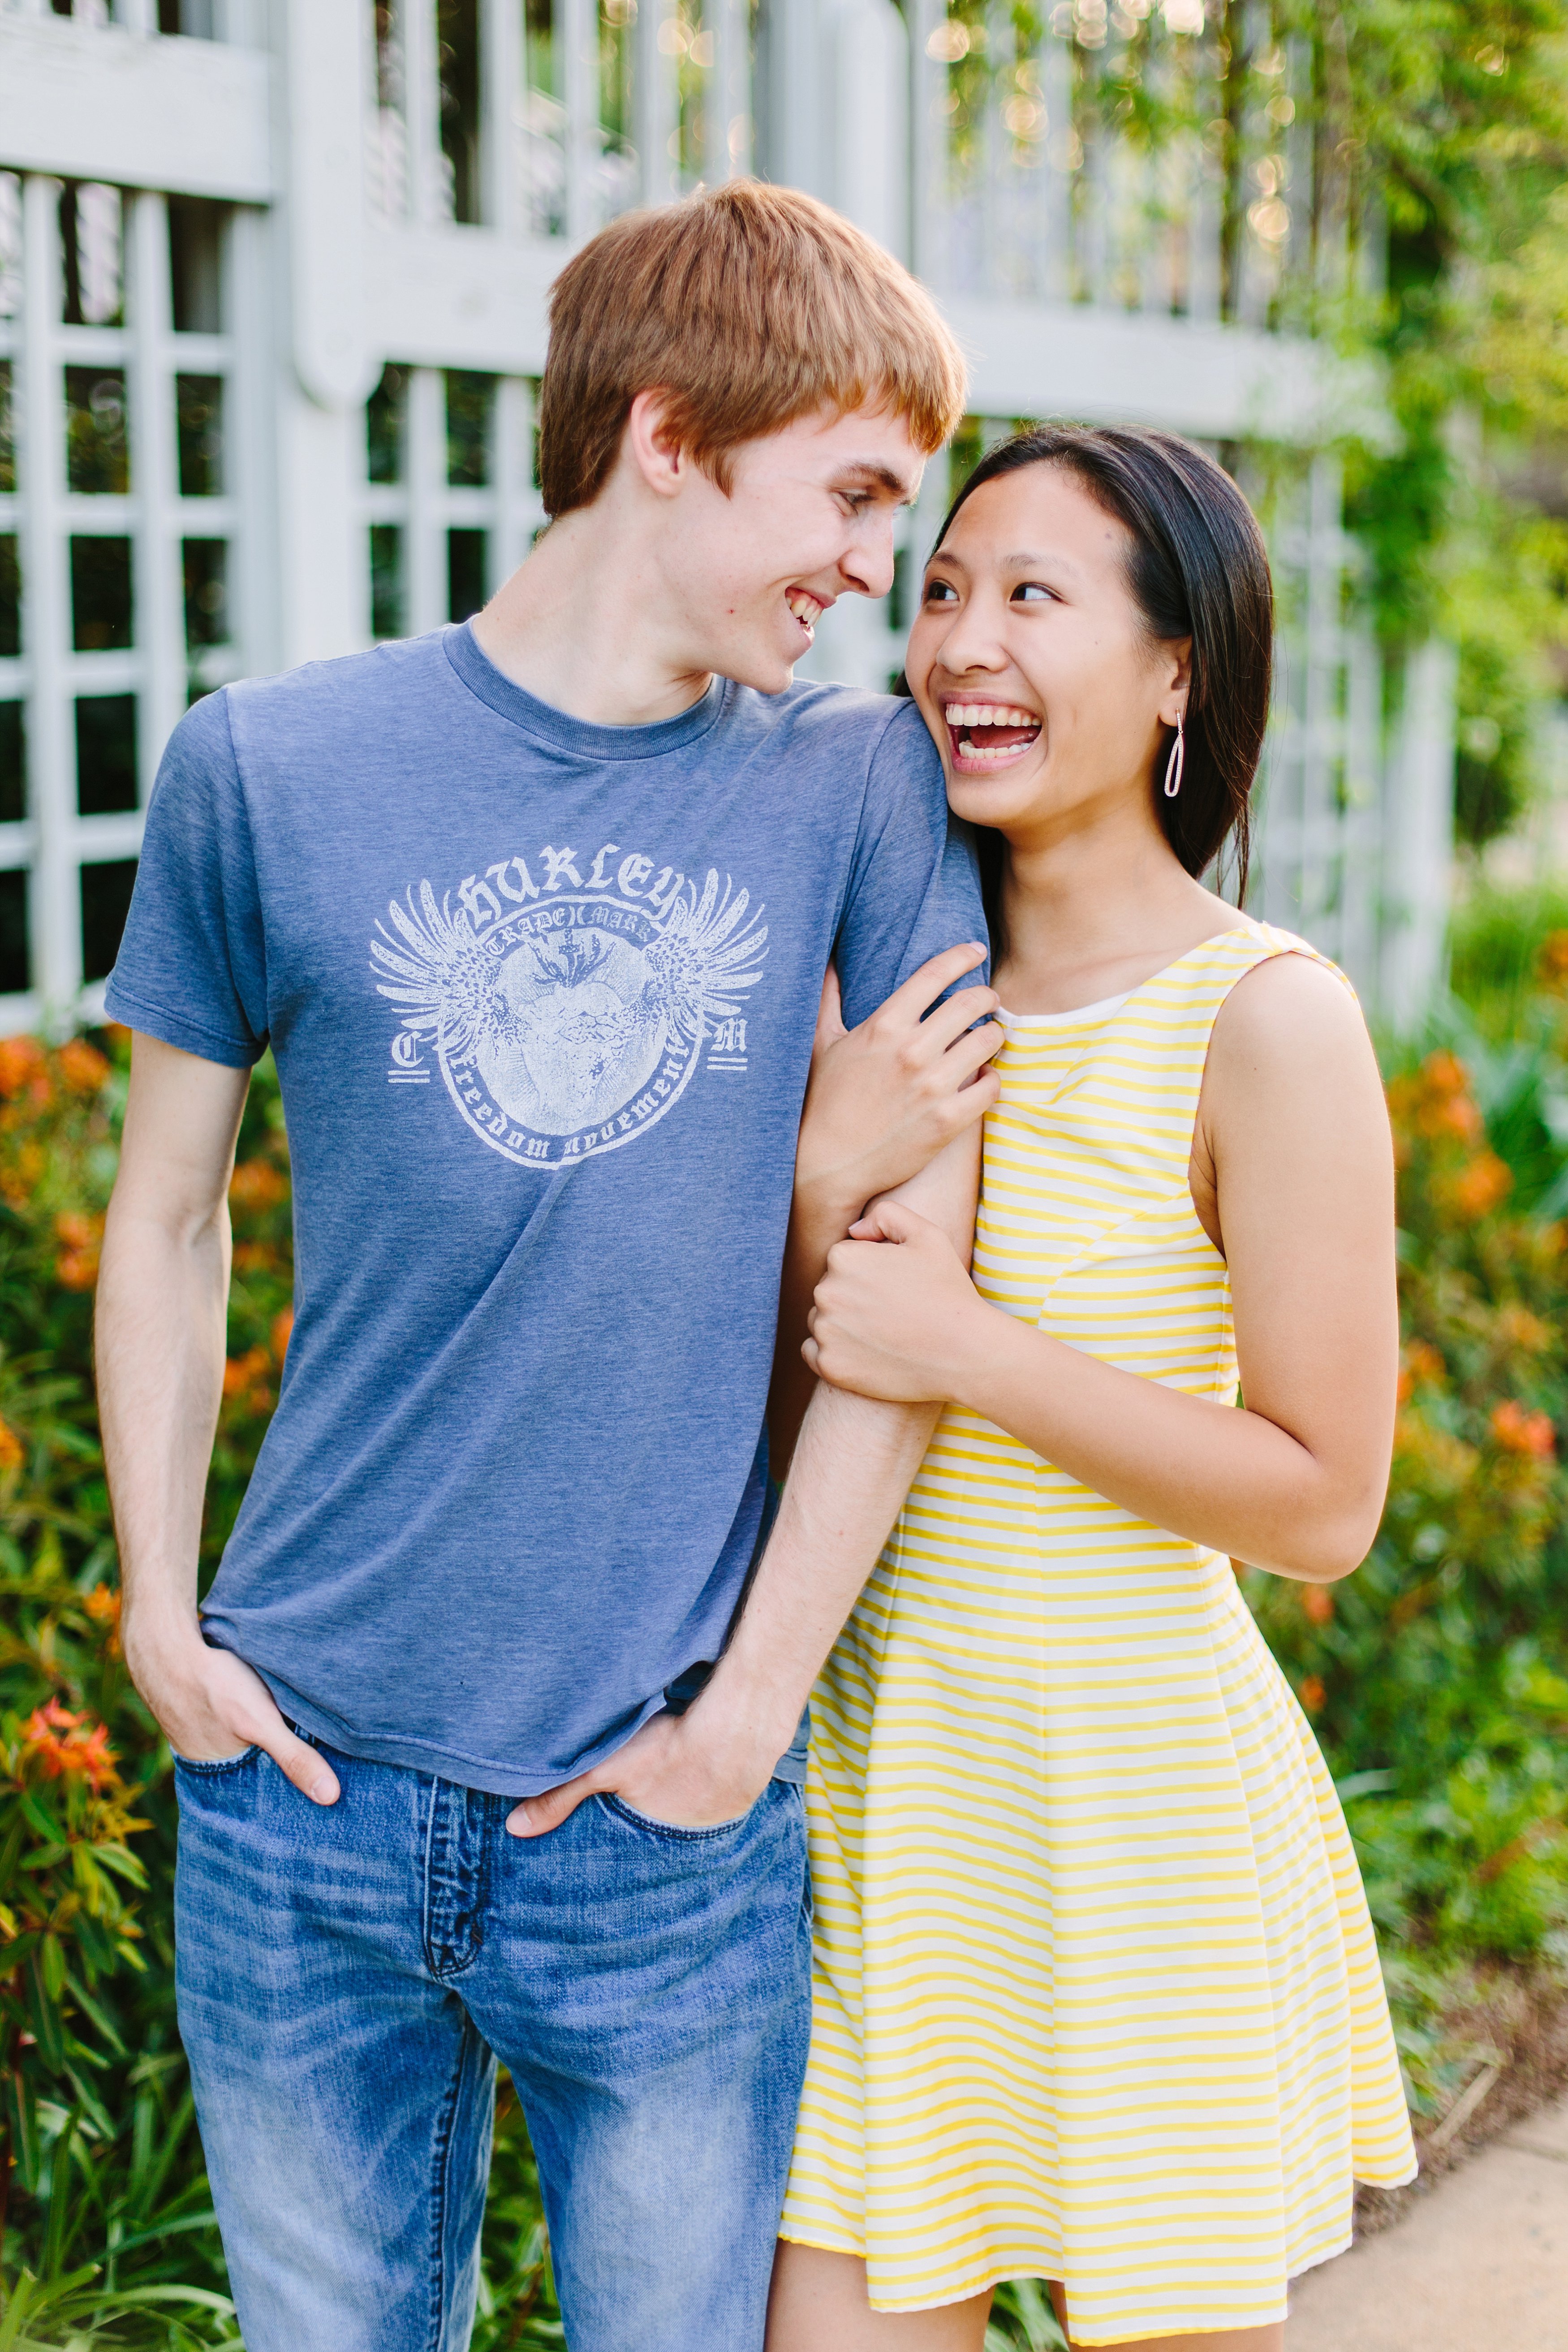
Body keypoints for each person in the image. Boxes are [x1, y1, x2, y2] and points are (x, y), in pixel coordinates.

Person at [93, 182, 1007, 2352]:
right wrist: (155, 1616)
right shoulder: (266, 766)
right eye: (854, 492)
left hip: (661, 1823)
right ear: (669, 436)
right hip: (297, 1791)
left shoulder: (859, 787)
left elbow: (909, 1295)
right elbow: (164, 1213)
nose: (880, 569)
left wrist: (745, 1718)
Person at [767, 427, 1418, 2352]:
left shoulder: (1262, 1018)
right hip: (883, 1795)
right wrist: (818, 1174)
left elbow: (1321, 1503)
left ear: (1174, 675)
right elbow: (795, 1385)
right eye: (941, 590)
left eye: (1031, 595)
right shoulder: (873, 994)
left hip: (1132, 1817)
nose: (959, 639)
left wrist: (972, 1349)